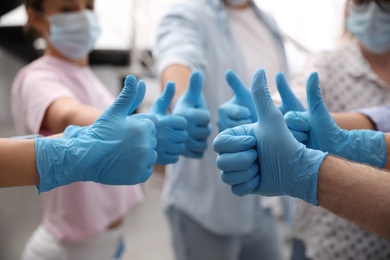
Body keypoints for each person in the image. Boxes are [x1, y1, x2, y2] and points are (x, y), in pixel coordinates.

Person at [12, 0, 186, 259]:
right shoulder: (37, 77)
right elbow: (67, 114)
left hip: (106, 244)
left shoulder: (84, 74)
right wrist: (135, 127)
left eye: (89, 7)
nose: (83, 17)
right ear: (36, 18)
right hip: (68, 251)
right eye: (68, 10)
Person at [154, 0, 288, 259]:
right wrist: (181, 99)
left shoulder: (267, 24)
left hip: (263, 199)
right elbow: (178, 54)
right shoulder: (187, 14)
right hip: (207, 204)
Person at [213, 68, 390, 243]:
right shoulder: (331, 61)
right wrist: (353, 145)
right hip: (316, 240)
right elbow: (385, 115)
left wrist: (308, 170)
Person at [280, 0, 390, 258]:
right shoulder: (329, 63)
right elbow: (296, 96)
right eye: (362, 1)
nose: (373, 13)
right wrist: (276, 110)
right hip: (326, 244)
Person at [2, 79, 157, 191]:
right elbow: (67, 115)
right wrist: (73, 154)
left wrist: (80, 138)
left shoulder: (87, 75)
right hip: (72, 228)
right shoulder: (36, 76)